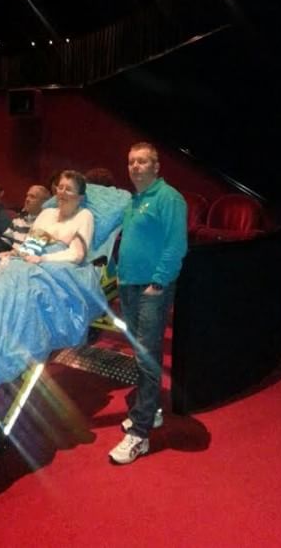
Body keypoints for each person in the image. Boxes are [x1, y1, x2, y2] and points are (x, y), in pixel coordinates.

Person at [108, 142, 187, 465]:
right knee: (141, 353)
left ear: (156, 166)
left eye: (142, 161)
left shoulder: (169, 198)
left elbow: (176, 245)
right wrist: (118, 274)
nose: (135, 167)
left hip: (151, 289)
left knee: (146, 356)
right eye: (131, 162)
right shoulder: (134, 200)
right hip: (129, 285)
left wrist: (158, 283)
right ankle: (151, 409)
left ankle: (140, 435)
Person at [11, 170, 93, 264]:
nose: (62, 192)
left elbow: (77, 255)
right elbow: (28, 247)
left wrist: (43, 259)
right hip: (30, 261)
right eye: (60, 187)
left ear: (80, 197)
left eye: (68, 189)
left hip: (59, 266)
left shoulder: (84, 215)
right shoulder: (46, 213)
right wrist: (14, 254)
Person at [0, 184, 50, 251]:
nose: (27, 199)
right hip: (9, 254)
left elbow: (33, 250)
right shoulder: (18, 219)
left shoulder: (46, 223)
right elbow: (5, 242)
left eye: (32, 197)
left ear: (44, 202)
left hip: (24, 255)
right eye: (27, 196)